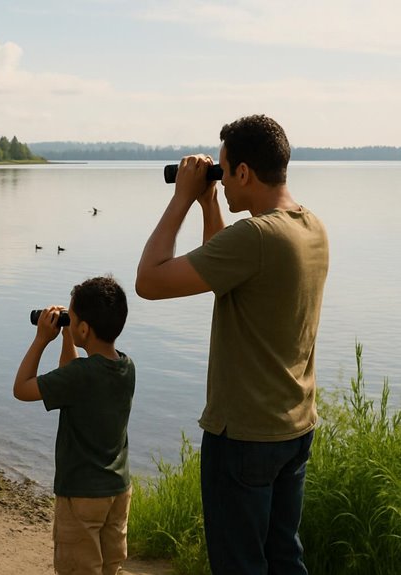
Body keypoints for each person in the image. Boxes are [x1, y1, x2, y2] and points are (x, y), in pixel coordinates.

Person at [135, 114, 329, 574]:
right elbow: (226, 276)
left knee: (238, 565)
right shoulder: (310, 227)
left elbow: (148, 280)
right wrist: (208, 206)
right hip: (294, 427)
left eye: (223, 172)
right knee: (284, 556)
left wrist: (182, 198)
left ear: (243, 172)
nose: (219, 184)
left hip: (243, 436)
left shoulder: (256, 237)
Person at [14, 276, 135, 575]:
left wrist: (42, 339)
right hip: (118, 492)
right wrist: (69, 335)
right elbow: (73, 373)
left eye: (72, 317)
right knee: (110, 568)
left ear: (84, 328)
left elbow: (22, 388)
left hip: (81, 494)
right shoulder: (125, 366)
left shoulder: (79, 376)